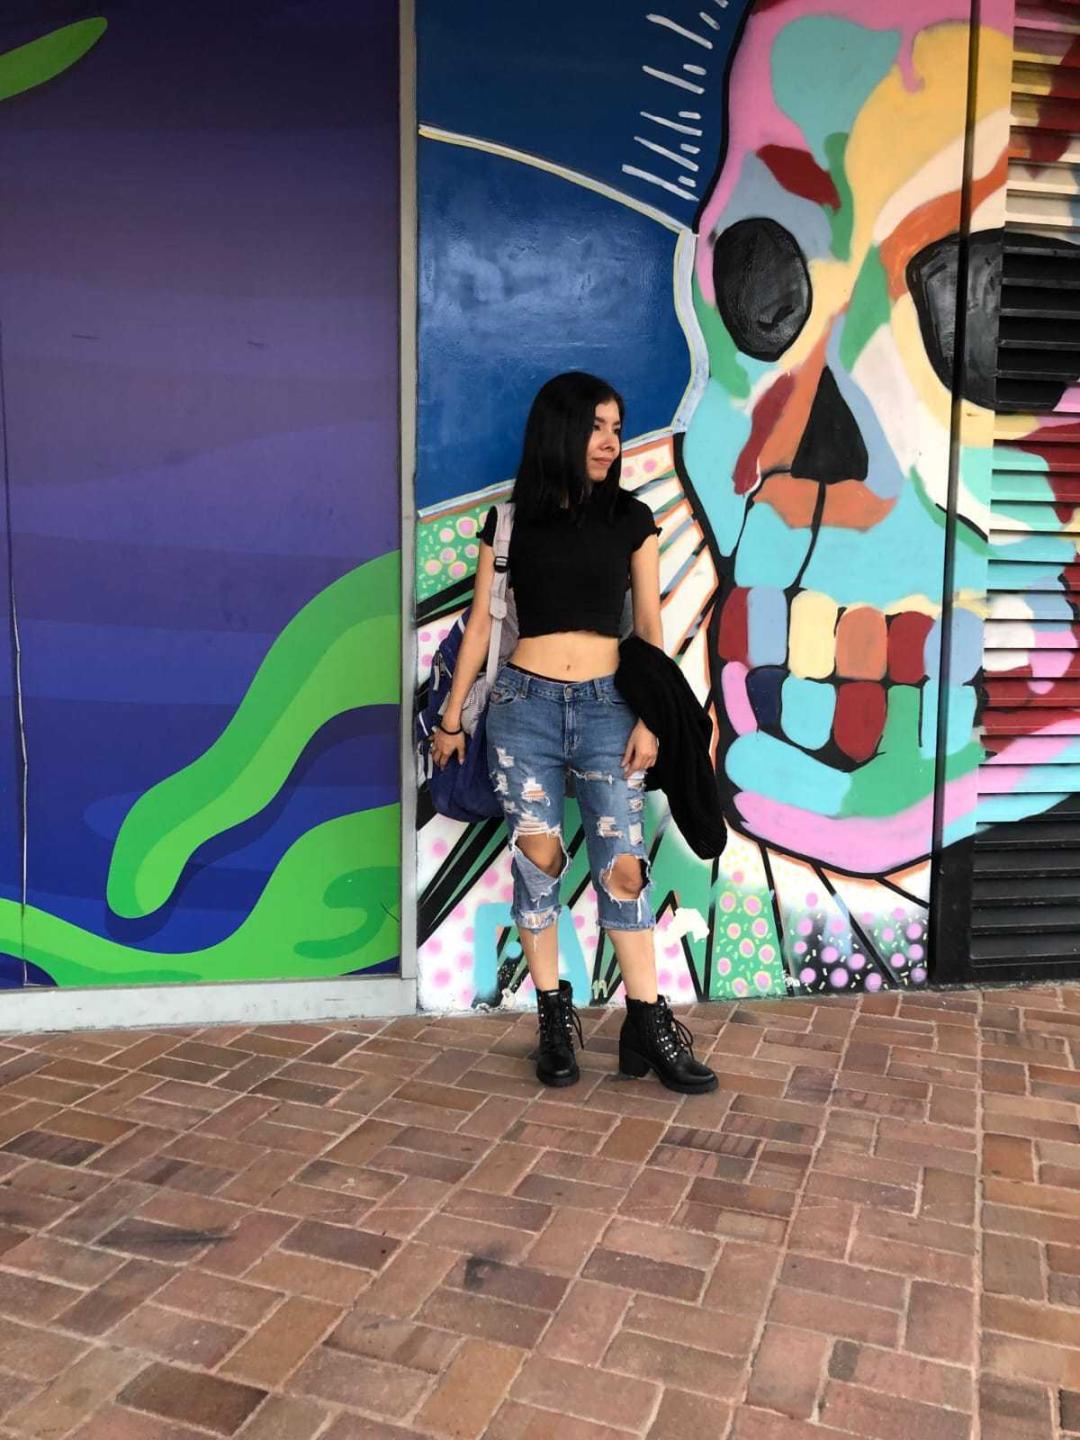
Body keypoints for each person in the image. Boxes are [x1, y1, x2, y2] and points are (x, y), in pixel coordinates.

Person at [431, 372, 717, 1094]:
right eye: (595, 426)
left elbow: (649, 630)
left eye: (617, 428)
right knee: (539, 864)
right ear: (560, 430)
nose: (610, 441)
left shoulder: (631, 517)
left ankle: (647, 1024)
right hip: (521, 708)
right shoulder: (509, 523)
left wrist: (651, 718)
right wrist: (451, 718)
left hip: (608, 709)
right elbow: (480, 629)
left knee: (624, 866)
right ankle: (554, 1021)